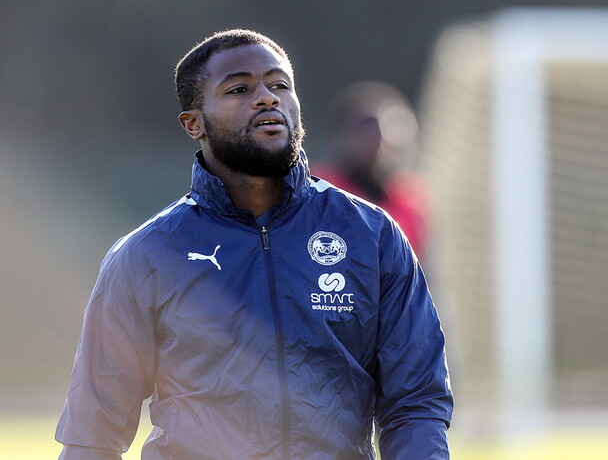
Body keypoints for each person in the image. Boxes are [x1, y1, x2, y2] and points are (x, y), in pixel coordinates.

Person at [55, 29, 452, 459]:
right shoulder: (145, 256)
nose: (267, 98)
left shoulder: (372, 236)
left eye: (279, 85)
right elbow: (92, 435)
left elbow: (415, 405)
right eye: (240, 88)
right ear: (194, 123)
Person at [312, 81, 430, 263]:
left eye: (391, 125)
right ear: (342, 134)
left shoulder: (411, 201)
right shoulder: (317, 193)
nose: (379, 136)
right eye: (367, 126)